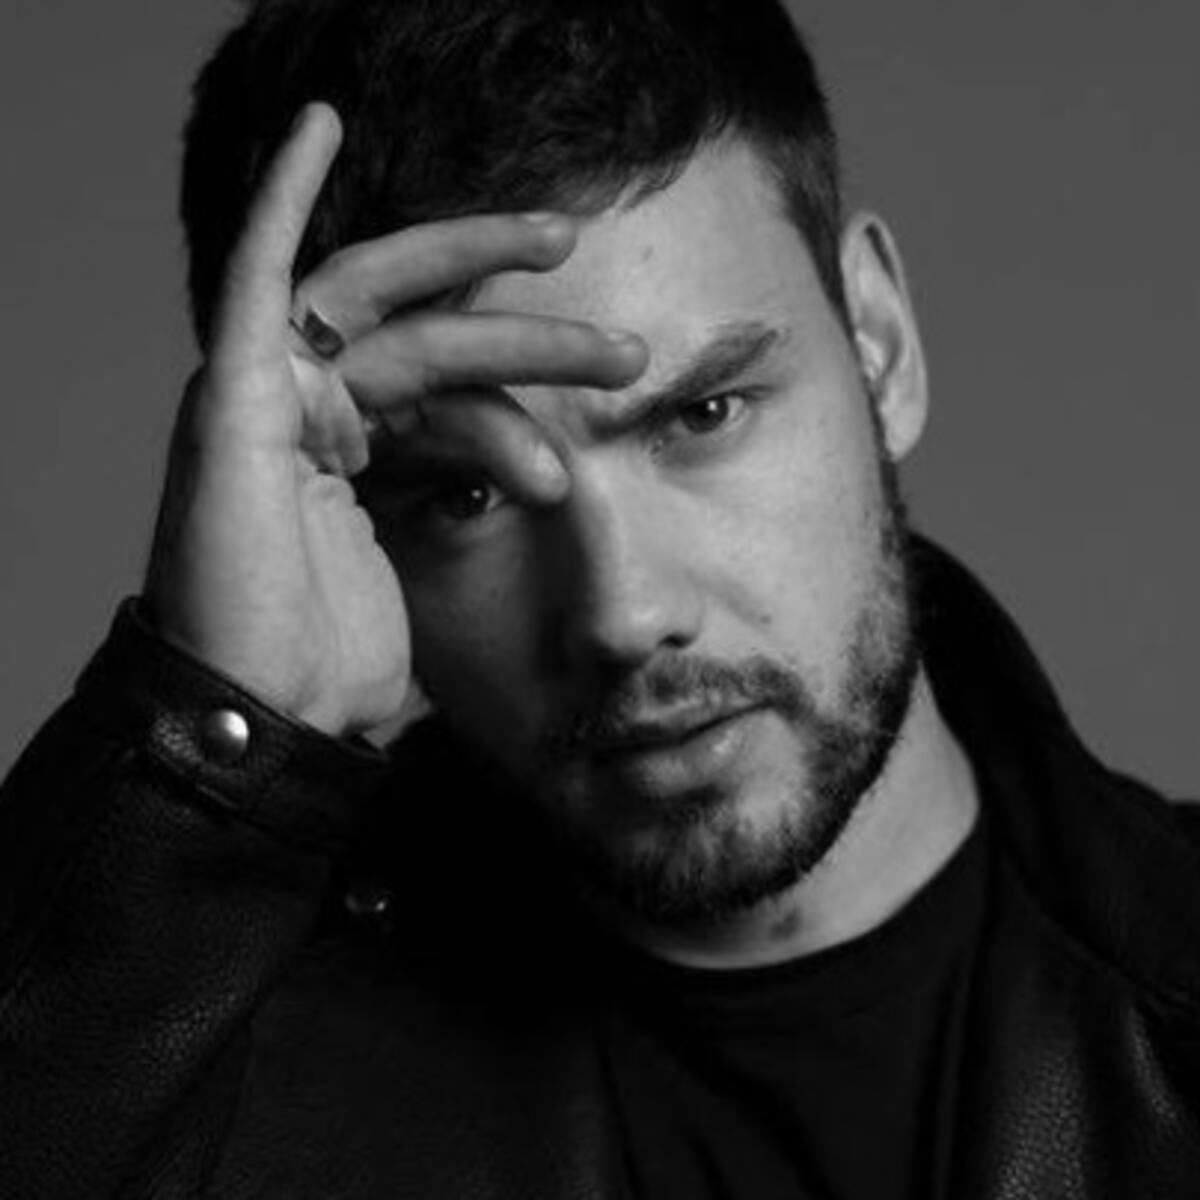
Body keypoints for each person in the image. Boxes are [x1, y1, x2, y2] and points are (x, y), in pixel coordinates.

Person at [1, 0, 1198, 1196]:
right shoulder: (220, 1072)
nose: (623, 613)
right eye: (465, 496)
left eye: (704, 413)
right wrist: (211, 724)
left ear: (879, 344)